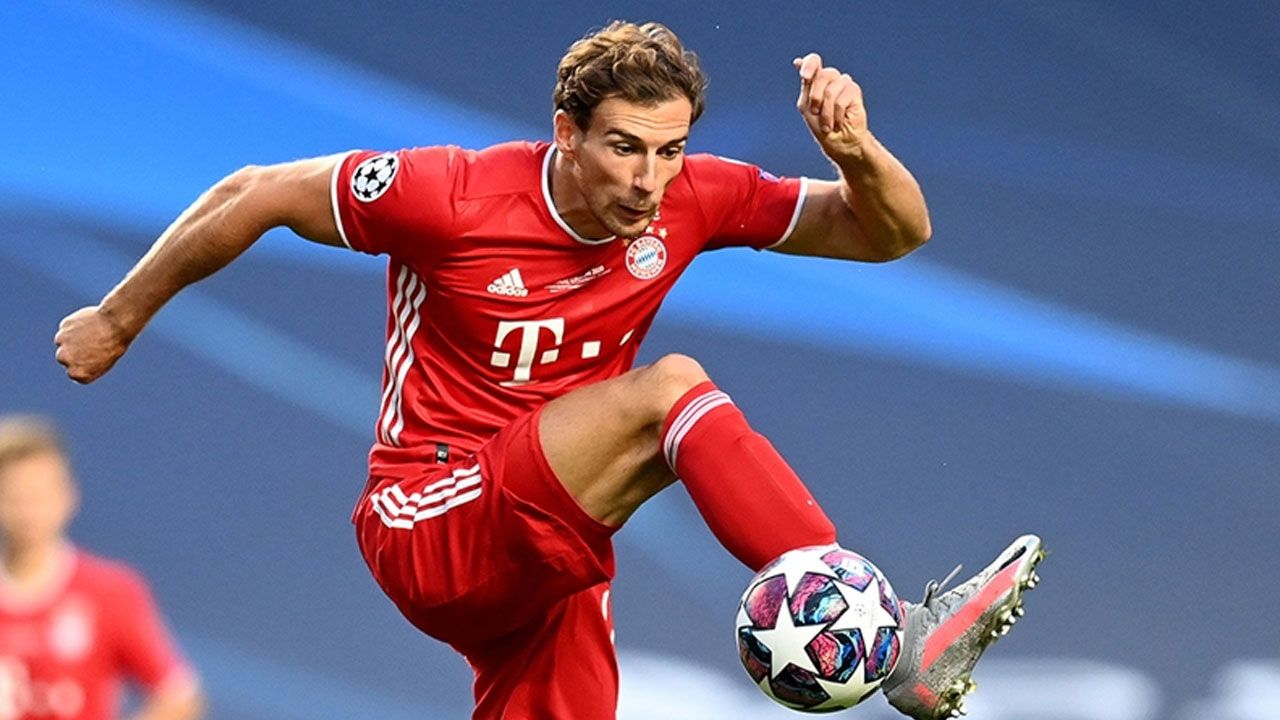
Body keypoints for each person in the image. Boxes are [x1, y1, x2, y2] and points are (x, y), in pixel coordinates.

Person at [53, 21, 1042, 720]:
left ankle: (866, 625)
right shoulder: (451, 194)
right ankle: (875, 625)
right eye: (623, 148)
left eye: (669, 150)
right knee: (669, 393)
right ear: (566, 133)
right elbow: (255, 191)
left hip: (550, 539)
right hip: (429, 512)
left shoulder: (690, 197)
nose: (647, 180)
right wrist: (117, 316)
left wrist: (854, 150)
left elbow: (892, 234)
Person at [0, 416, 204, 720]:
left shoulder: (109, 592)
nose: (29, 511)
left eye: (40, 495)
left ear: (68, 496)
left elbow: (178, 696)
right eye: (16, 496)